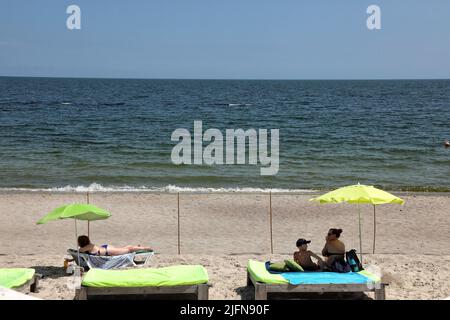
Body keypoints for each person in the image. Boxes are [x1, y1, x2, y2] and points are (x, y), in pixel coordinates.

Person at [77, 235, 153, 256]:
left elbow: (79, 251)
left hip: (107, 251)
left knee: (128, 250)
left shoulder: (88, 247)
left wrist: (79, 248)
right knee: (125, 248)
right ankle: (139, 247)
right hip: (105, 249)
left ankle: (146, 248)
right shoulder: (88, 246)